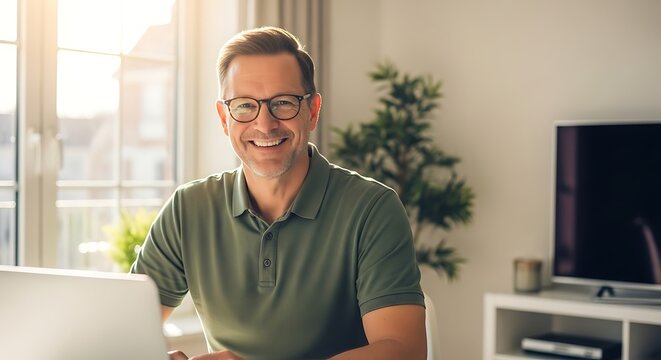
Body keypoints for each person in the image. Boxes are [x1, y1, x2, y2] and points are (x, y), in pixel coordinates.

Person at [131, 26, 426, 360]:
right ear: (224, 118)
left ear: (312, 111)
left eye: (283, 103)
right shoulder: (188, 209)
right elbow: (125, 333)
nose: (265, 124)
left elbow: (405, 351)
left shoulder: (373, 208)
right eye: (244, 106)